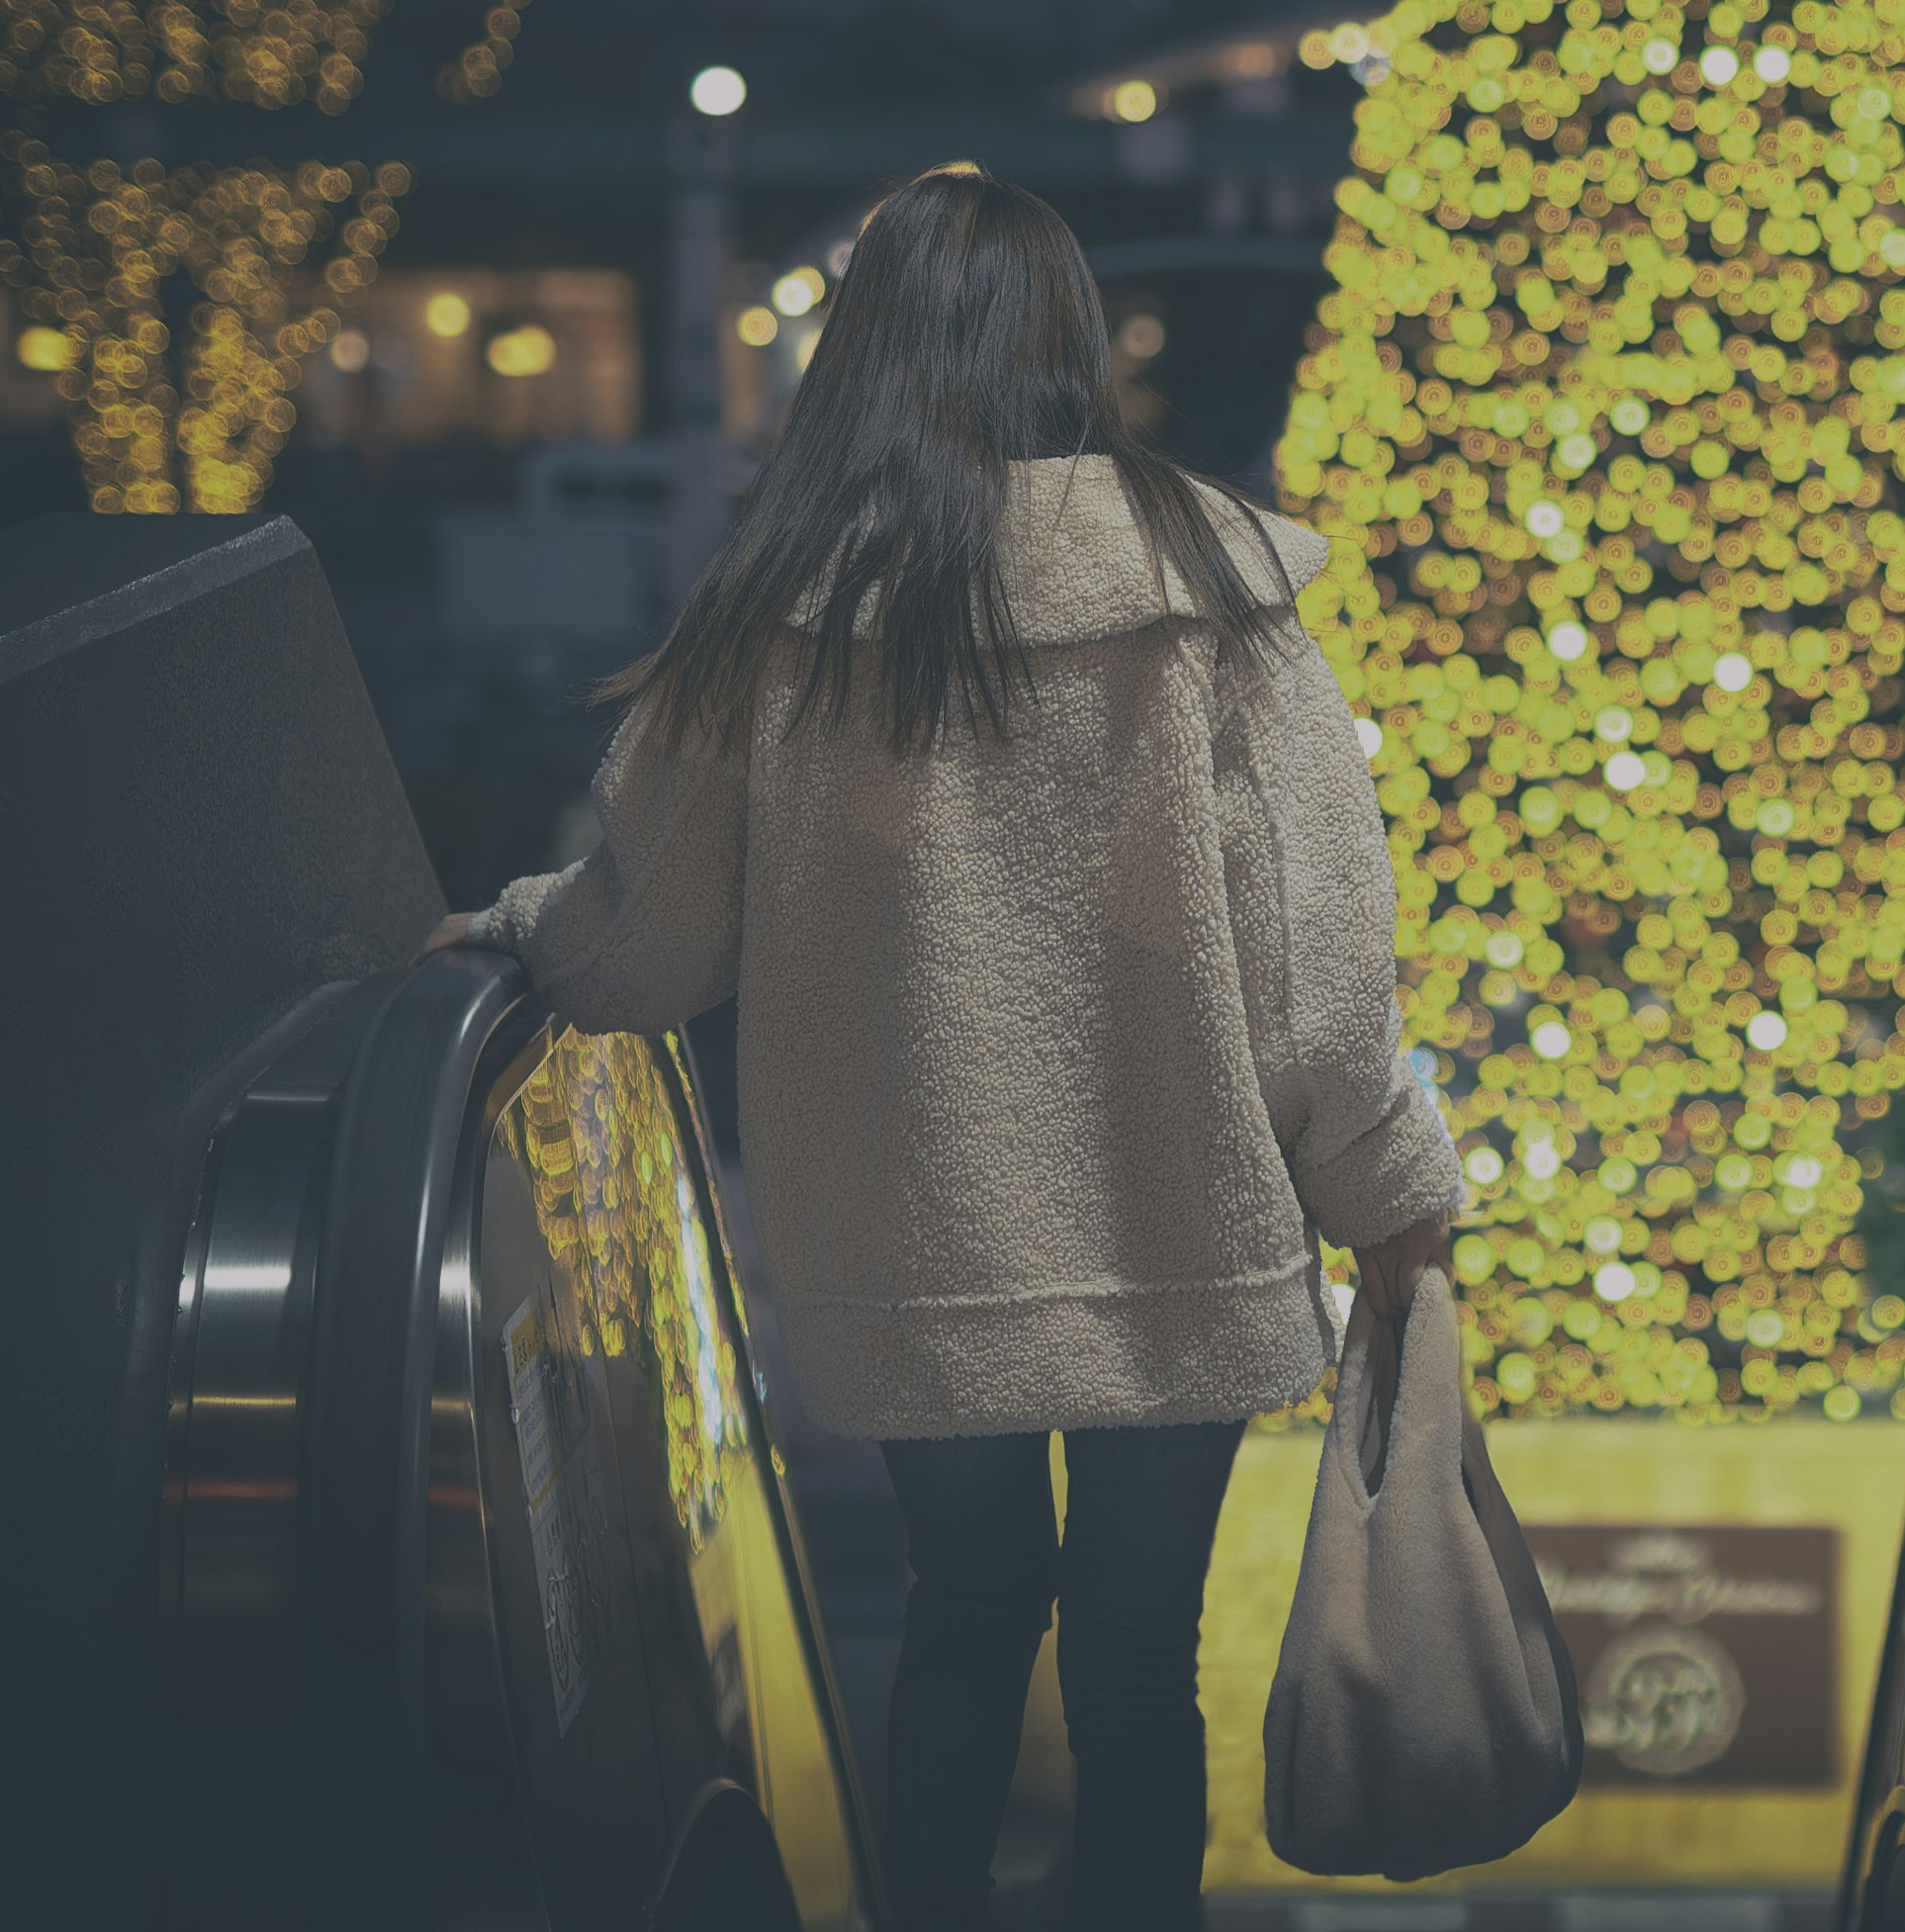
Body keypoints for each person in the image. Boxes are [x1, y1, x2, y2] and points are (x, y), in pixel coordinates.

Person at [426, 168, 1458, 1932]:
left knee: (961, 1610)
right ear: (1066, 335)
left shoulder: (784, 613)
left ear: (865, 349)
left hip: (916, 1242)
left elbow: (653, 932)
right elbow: (1314, 958)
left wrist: (523, 928)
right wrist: (1385, 1183)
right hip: (1177, 1221)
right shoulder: (1210, 586)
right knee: (1142, 1651)